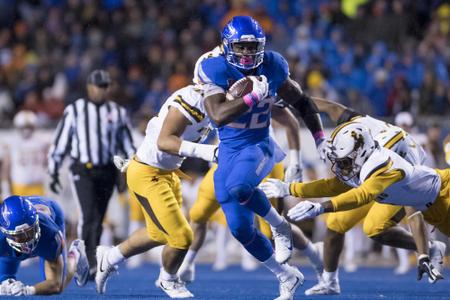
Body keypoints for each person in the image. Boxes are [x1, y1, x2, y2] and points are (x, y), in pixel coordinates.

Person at [195, 16, 326, 299]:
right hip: (229, 150)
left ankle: (279, 226)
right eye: (240, 48)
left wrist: (319, 139)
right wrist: (251, 98)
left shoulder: (274, 66)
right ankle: (286, 276)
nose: (246, 53)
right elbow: (217, 116)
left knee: (240, 188)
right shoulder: (214, 68)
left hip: (259, 144)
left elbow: (302, 102)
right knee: (241, 230)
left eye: (251, 47)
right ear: (227, 46)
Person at [263, 98, 446, 295]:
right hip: (397, 192)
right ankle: (330, 281)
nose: (341, 167)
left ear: (362, 153)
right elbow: (336, 183)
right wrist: (295, 100)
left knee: (374, 227)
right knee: (336, 223)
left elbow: (383, 200)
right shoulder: (358, 131)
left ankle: (431, 247)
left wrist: (423, 253)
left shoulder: (389, 160)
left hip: (417, 192)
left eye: (345, 162)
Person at [95, 84, 217, 298]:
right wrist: (209, 152)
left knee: (157, 234)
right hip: (148, 174)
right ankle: (168, 279)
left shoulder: (212, 103)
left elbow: (155, 130)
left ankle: (110, 257)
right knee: (181, 236)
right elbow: (164, 142)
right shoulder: (192, 99)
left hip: (167, 173)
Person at [178, 106, 323, 283]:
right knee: (198, 214)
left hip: (260, 159)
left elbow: (290, 119)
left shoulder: (257, 89)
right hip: (225, 162)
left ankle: (312, 253)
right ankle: (188, 263)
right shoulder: (216, 93)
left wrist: (295, 161)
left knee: (273, 224)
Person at [47, 69, 135, 277]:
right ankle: (83, 262)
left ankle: (91, 260)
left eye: (105, 86)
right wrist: (53, 171)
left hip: (107, 171)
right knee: (88, 215)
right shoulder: (75, 110)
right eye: (99, 86)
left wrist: (129, 168)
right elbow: (60, 142)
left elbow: (128, 144)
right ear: (89, 87)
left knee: (99, 218)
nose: (102, 90)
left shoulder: (117, 112)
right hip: (83, 169)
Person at [0, 195, 89, 295]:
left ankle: (74, 256)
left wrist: (27, 291)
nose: (27, 241)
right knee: (5, 282)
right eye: (20, 236)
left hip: (50, 216)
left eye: (29, 232)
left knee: (59, 285)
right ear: (5, 232)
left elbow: (55, 284)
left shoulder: (50, 233)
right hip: (10, 237)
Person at [2, 111, 49, 196]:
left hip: (38, 184)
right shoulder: (12, 143)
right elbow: (7, 165)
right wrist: (5, 185)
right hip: (19, 185)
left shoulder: (42, 142)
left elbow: (47, 162)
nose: (26, 130)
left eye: (29, 127)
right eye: (23, 127)